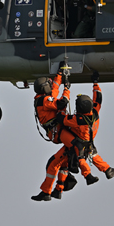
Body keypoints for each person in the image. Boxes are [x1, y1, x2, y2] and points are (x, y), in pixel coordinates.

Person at [62, 71, 114, 184]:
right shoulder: (95, 112)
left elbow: (63, 120)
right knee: (94, 155)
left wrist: (62, 104)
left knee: (81, 157)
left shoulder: (76, 120)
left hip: (79, 142)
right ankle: (108, 170)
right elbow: (98, 97)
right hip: (90, 140)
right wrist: (95, 82)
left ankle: (88, 176)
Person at [32, 64, 75, 202]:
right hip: (59, 132)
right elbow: (61, 103)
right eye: (48, 84)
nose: (51, 85)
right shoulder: (45, 100)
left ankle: (52, 191)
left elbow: (55, 87)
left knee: (56, 164)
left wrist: (60, 73)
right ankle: (54, 191)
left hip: (59, 132)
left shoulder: (44, 98)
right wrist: (67, 89)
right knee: (59, 162)